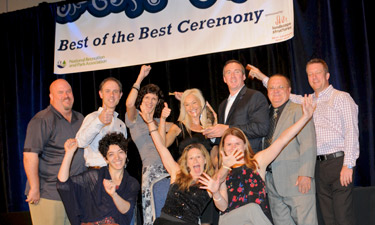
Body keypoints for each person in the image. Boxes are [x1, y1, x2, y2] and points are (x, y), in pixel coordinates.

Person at [248, 58, 359, 225]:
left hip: (338, 162)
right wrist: (261, 76)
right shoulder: (307, 101)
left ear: (327, 75)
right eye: (310, 74)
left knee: (343, 216)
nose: (314, 77)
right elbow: (281, 93)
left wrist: (348, 164)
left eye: (318, 73)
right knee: (328, 217)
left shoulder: (341, 98)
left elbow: (351, 131)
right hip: (318, 165)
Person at [206, 95, 315, 225]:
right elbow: (223, 207)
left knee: (254, 210)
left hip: (258, 221)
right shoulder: (223, 172)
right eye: (229, 145)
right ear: (223, 148)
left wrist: (305, 118)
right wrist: (216, 192)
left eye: (237, 144)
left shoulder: (257, 162)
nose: (233, 147)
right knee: (252, 209)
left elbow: (282, 140)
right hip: (232, 220)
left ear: (245, 146)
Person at [139, 103, 216, 225]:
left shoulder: (211, 182)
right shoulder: (177, 173)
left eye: (198, 157)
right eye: (191, 158)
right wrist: (150, 123)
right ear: (187, 163)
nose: (195, 161)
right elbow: (161, 148)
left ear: (205, 160)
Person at [23, 79, 86, 225]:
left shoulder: (80, 118)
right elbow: (29, 155)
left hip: (75, 195)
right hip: (49, 194)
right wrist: (34, 187)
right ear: (51, 96)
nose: (66, 95)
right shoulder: (42, 120)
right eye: (60, 92)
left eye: (68, 91)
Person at [263, 74, 318, 225]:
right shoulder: (264, 115)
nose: (276, 91)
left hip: (297, 181)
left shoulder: (299, 110)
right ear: (267, 92)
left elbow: (308, 142)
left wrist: (305, 174)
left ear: (289, 91)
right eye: (272, 88)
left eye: (280, 87)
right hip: (272, 183)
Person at [161, 89, 219, 225]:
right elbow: (163, 144)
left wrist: (217, 174)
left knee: (209, 219)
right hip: (186, 180)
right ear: (183, 107)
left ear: (201, 103)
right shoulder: (180, 126)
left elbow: (214, 153)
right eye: (187, 104)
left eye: (194, 103)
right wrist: (162, 120)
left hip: (206, 178)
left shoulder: (209, 128)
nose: (192, 107)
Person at [57, 132, 140, 225]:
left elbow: (127, 210)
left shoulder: (131, 183)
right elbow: (63, 184)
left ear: (126, 154)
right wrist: (69, 154)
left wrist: (114, 195)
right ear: (106, 159)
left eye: (120, 152)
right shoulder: (94, 177)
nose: (117, 158)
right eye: (111, 154)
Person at [125, 65, 170, 225]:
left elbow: (163, 145)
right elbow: (129, 104)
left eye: (154, 98)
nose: (150, 101)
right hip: (150, 172)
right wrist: (140, 77)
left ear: (158, 102)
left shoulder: (158, 121)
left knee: (167, 214)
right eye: (147, 98)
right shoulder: (135, 118)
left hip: (167, 171)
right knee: (151, 215)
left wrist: (163, 120)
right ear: (141, 100)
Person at [203, 59, 269, 153]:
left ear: (244, 76)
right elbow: (223, 138)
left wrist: (227, 129)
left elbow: (261, 128)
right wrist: (213, 135)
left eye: (236, 72)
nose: (232, 76)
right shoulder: (222, 105)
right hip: (228, 161)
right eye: (228, 72)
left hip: (249, 159)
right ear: (224, 79)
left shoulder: (255, 96)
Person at [76, 77, 127, 169]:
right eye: (107, 91)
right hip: (97, 173)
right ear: (100, 94)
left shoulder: (121, 124)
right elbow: (80, 142)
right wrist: (99, 121)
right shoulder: (92, 118)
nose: (111, 95)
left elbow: (123, 152)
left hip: (117, 173)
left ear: (120, 95)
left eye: (115, 91)